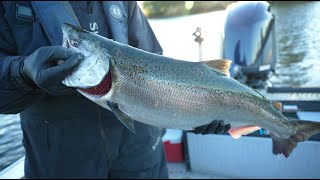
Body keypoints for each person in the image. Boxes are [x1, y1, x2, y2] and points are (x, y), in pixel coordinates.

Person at [0, 1, 230, 178]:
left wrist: (193, 112)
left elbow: (156, 62)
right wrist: (22, 72)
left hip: (141, 157)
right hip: (62, 162)